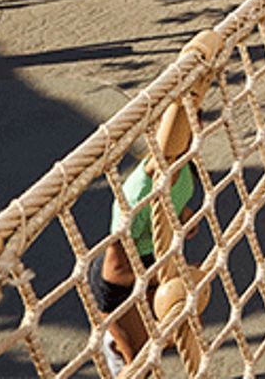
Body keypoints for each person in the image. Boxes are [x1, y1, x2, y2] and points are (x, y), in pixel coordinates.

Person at [86, 153, 200, 374]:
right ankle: (117, 344)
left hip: (155, 264)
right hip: (122, 284)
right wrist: (167, 275)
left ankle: (115, 339)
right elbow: (116, 272)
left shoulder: (185, 163)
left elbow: (175, 200)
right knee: (140, 364)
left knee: (183, 328)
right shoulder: (137, 196)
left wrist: (183, 214)